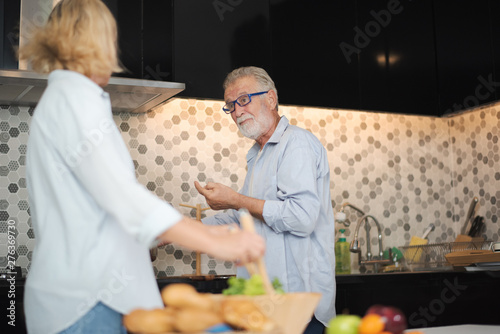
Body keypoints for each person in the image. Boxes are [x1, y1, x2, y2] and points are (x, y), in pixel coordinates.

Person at [18, 1, 264, 333]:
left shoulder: (67, 100)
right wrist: (214, 242)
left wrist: (202, 231)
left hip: (92, 298)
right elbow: (123, 198)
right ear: (99, 41)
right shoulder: (75, 102)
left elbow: (104, 209)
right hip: (87, 303)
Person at [194, 66, 336, 334]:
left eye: (244, 100)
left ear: (271, 99)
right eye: (230, 106)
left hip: (301, 307)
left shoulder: (296, 144)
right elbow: (244, 217)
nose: (236, 111)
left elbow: (302, 218)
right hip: (267, 305)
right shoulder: (258, 155)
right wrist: (175, 230)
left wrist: (236, 199)